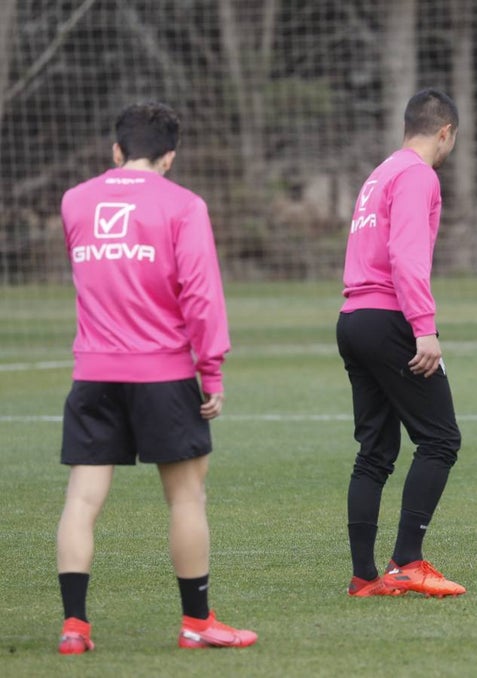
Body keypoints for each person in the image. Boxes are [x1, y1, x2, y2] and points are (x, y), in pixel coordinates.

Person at [56, 101, 256, 654]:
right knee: (187, 499)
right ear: (170, 157)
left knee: (82, 499)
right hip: (163, 373)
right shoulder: (184, 205)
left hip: (92, 372)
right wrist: (210, 371)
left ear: (116, 150)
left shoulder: (75, 202)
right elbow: (200, 295)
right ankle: (197, 623)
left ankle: (75, 627)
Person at [337, 88, 466, 598]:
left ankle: (364, 575)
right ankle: (407, 561)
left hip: (353, 317)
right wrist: (424, 327)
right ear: (445, 133)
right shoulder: (418, 175)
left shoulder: (380, 173)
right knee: (440, 439)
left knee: (376, 450)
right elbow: (406, 253)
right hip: (390, 318)